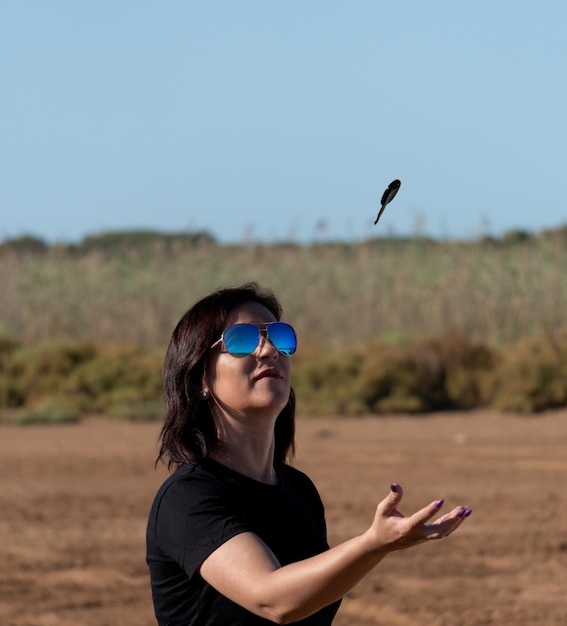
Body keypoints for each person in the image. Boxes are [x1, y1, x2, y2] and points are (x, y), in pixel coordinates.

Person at [146, 282, 472, 625]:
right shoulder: (187, 499)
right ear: (200, 376)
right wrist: (374, 544)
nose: (269, 350)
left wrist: (377, 545)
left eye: (280, 337)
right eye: (242, 340)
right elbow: (273, 601)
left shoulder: (299, 490)